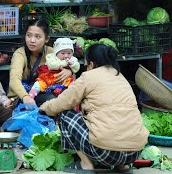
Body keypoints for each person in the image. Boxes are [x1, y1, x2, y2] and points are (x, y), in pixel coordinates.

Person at [40, 44, 149, 172]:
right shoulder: (120, 76)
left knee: (63, 113)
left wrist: (46, 107)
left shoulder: (88, 77)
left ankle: (86, 164)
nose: (86, 67)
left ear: (91, 63)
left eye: (86, 64)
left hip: (105, 153)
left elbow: (63, 102)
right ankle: (123, 166)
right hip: (134, 152)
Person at [8, 19, 73, 106]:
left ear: (46, 39)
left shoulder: (53, 53)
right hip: (21, 96)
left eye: (37, 37)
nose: (32, 40)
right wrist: (25, 97)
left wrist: (69, 71)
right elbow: (14, 80)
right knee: (52, 100)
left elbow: (72, 71)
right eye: (29, 35)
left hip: (44, 91)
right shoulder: (20, 54)